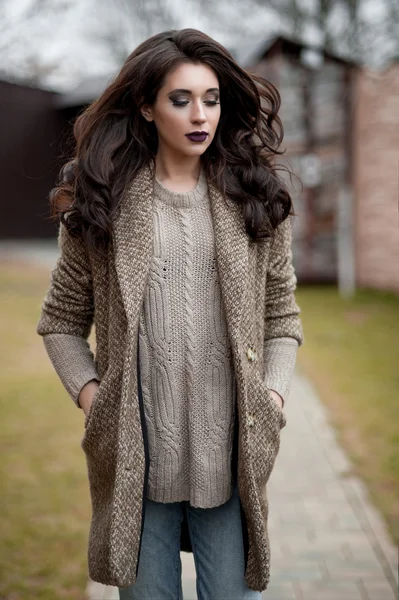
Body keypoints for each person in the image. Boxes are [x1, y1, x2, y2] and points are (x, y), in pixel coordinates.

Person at [37, 28, 304, 600]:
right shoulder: (101, 204)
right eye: (180, 99)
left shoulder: (255, 201)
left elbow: (282, 316)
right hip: (138, 466)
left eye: (210, 98)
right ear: (146, 106)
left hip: (231, 461)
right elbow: (60, 322)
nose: (199, 113)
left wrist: (272, 397)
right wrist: (94, 398)